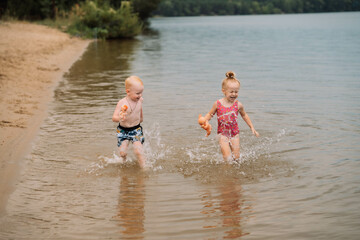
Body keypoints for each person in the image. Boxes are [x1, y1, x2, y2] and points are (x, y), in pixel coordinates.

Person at [199, 71, 259, 162]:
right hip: (222, 134)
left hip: (234, 133)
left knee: (236, 157)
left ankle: (235, 174)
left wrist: (252, 127)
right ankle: (226, 172)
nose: (234, 94)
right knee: (227, 157)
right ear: (224, 91)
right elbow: (210, 114)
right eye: (231, 92)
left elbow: (244, 115)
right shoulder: (218, 104)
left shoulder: (238, 105)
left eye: (236, 92)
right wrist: (205, 120)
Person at [112, 76, 146, 168]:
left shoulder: (140, 100)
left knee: (138, 151)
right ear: (128, 92)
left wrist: (141, 119)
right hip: (123, 130)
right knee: (122, 153)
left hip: (136, 129)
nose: (140, 95)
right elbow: (114, 118)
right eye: (137, 93)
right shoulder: (122, 103)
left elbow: (140, 112)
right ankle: (123, 164)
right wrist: (120, 117)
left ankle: (144, 168)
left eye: (141, 93)